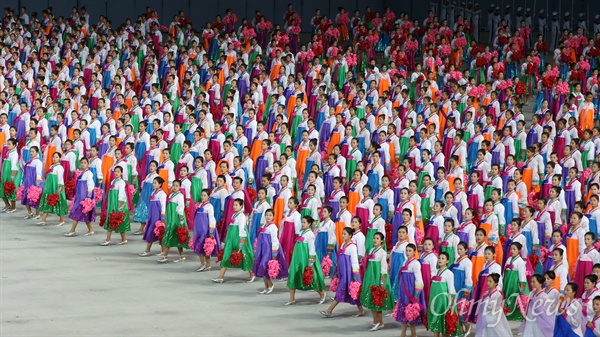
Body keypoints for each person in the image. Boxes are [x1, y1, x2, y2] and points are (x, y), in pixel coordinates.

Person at [320, 227, 364, 317]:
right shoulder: (343, 244)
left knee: (344, 291)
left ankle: (329, 310)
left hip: (350, 273)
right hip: (343, 272)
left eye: (345, 234)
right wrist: (337, 270)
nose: (343, 235)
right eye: (342, 233)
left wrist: (355, 275)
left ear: (350, 235)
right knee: (350, 292)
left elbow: (354, 261)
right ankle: (361, 309)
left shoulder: (352, 246)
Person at [285, 215, 326, 305]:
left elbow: (312, 248)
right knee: (293, 276)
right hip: (297, 260)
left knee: (311, 278)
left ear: (309, 224)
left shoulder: (310, 234)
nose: (302, 224)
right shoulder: (301, 232)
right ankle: (291, 299)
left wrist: (310, 263)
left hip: (305, 260)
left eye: (304, 222)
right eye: (302, 222)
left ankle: (322, 294)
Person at [213, 199, 255, 282]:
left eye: (236, 205)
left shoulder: (241, 216)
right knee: (226, 255)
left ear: (241, 206)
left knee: (244, 255)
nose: (234, 206)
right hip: (231, 238)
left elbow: (242, 229)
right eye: (234, 205)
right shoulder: (234, 215)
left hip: (239, 238)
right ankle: (221, 276)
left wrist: (241, 242)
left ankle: (252, 274)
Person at [359, 232, 394, 331]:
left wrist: (382, 283)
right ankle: (379, 322)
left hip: (377, 278)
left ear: (381, 241)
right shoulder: (371, 250)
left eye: (377, 238)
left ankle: (376, 321)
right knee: (371, 299)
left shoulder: (382, 252)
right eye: (374, 238)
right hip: (370, 277)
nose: (375, 240)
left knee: (377, 301)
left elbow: (384, 268)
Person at [392, 243, 425, 337]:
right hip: (403, 291)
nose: (407, 252)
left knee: (411, 312)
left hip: (410, 290)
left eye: (410, 251)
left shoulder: (416, 263)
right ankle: (403, 333)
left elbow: (419, 279)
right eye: (406, 250)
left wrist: (416, 294)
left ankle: (413, 334)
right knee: (403, 311)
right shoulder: (404, 262)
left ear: (414, 252)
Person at [252, 209, 288, 294]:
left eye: (270, 215)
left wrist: (274, 254)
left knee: (264, 267)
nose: (268, 217)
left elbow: (275, 240)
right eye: (267, 215)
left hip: (268, 251)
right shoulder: (264, 226)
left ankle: (271, 285)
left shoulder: (273, 227)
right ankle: (266, 287)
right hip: (262, 250)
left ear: (273, 217)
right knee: (261, 268)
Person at [427, 251, 461, 337]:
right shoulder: (435, 271)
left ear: (447, 261)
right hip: (434, 301)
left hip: (443, 303)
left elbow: (451, 290)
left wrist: (451, 304)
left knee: (444, 325)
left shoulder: (449, 273)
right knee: (435, 323)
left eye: (443, 258)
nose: (440, 260)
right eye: (439, 258)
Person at [65, 158, 96, 236]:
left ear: (88, 164)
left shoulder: (89, 173)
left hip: (84, 197)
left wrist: (88, 197)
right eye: (82, 162)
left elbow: (91, 185)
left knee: (77, 213)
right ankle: (90, 230)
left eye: (85, 163)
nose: (83, 164)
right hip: (79, 196)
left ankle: (72, 230)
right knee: (84, 214)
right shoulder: (81, 173)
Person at [100, 166, 129, 245]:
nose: (116, 173)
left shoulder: (121, 182)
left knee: (117, 220)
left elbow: (122, 194)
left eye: (118, 171)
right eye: (115, 171)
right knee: (111, 219)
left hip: (117, 204)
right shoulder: (113, 181)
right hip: (111, 203)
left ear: (121, 173)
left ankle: (110, 239)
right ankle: (120, 239)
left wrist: (120, 206)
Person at [139, 177, 167, 257]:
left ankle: (151, 250)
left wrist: (163, 217)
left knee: (158, 232)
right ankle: (160, 251)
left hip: (157, 216)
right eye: (153, 183)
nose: (153, 184)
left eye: (155, 183)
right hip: (152, 215)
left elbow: (163, 206)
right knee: (153, 232)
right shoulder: (153, 193)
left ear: (160, 184)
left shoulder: (162, 194)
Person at [192, 189, 220, 271]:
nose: (203, 197)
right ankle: (202, 263)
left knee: (206, 247)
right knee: (198, 246)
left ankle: (208, 264)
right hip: (198, 230)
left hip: (205, 230)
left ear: (208, 197)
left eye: (205, 195)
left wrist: (211, 231)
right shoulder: (199, 205)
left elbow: (212, 219)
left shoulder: (209, 206)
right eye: (202, 195)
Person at [37, 152, 67, 226]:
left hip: (56, 187)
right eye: (53, 157)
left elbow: (60, 179)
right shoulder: (51, 166)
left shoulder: (60, 167)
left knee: (59, 202)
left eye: (56, 157)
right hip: (49, 187)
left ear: (59, 158)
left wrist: (59, 190)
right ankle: (43, 219)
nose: (54, 158)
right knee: (47, 201)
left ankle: (61, 220)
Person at [503, 242, 530, 321]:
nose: (512, 251)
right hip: (507, 281)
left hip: (515, 282)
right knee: (507, 296)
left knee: (514, 297)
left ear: (519, 251)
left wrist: (522, 288)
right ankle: (506, 312)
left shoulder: (520, 261)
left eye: (514, 249)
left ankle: (514, 314)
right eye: (511, 249)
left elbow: (522, 275)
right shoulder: (509, 259)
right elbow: (504, 270)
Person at [21, 145, 42, 219]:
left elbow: (39, 173)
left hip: (33, 182)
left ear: (37, 152)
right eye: (30, 151)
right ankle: (29, 212)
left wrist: (37, 183)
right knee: (26, 196)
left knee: (35, 198)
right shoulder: (30, 161)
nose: (31, 153)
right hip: (27, 182)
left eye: (33, 151)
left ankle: (37, 214)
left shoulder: (38, 162)